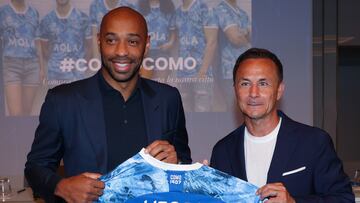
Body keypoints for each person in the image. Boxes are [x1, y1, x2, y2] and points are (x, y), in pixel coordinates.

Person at [25, 7, 191, 203]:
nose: (121, 51)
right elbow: (35, 168)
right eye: (111, 40)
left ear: (146, 44)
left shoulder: (168, 99)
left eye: (132, 41)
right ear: (98, 41)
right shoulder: (63, 101)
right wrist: (61, 187)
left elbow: (184, 165)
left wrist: (177, 164)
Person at [210, 48, 354, 202]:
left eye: (263, 83)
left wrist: (293, 202)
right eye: (245, 84)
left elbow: (344, 199)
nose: (253, 93)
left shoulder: (314, 142)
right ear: (235, 90)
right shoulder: (222, 151)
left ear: (279, 90)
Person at [173, 0, 218, 112]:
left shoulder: (205, 9)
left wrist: (202, 72)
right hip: (182, 74)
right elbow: (178, 43)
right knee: (184, 115)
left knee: (202, 113)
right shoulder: (177, 12)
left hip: (201, 73)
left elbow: (212, 41)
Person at [0, 0, 42, 116]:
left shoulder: (33, 12)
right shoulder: (3, 12)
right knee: (16, 113)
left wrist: (41, 67)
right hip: (11, 64)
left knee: (27, 111)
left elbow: (37, 42)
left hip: (32, 65)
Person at [39, 0, 92, 87]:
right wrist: (55, 61)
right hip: (55, 76)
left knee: (75, 100)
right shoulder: (47, 20)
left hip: (77, 76)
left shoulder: (83, 18)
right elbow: (44, 48)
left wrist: (82, 66)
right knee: (57, 100)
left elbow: (89, 47)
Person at [214, 0, 251, 111]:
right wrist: (246, 38)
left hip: (246, 70)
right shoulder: (221, 9)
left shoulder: (242, 13)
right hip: (228, 70)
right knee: (232, 109)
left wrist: (243, 37)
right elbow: (235, 39)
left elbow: (250, 35)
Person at [139, 0, 176, 80]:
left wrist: (170, 43)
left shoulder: (168, 7)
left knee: (161, 85)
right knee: (146, 85)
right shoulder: (140, 8)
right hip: (146, 54)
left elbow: (173, 32)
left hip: (163, 53)